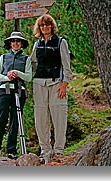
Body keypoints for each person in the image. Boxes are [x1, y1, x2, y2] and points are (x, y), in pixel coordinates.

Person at [29, 14, 72, 163]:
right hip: (39, 84)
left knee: (59, 118)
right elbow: (32, 64)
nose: (45, 27)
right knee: (41, 120)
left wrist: (64, 84)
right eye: (42, 25)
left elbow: (67, 65)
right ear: (39, 28)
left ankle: (59, 150)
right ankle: (45, 151)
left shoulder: (61, 42)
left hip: (56, 85)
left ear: (52, 26)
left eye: (47, 25)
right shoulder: (37, 44)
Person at [0, 32, 32, 159]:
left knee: (15, 120)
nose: (16, 43)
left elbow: (28, 77)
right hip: (3, 91)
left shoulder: (26, 59)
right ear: (10, 43)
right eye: (13, 41)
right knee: (0, 119)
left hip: (19, 91)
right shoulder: (3, 57)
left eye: (18, 41)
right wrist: (7, 77)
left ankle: (11, 151)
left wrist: (17, 73)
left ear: (22, 43)